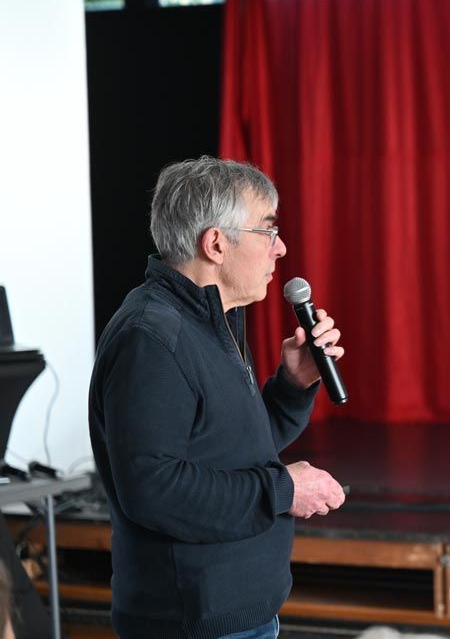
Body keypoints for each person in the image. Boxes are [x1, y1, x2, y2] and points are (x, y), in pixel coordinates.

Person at [89, 156, 346, 639]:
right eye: (267, 231)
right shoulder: (153, 337)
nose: (281, 248)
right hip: (192, 623)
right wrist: (284, 490)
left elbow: (233, 450)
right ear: (216, 243)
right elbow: (154, 489)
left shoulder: (213, 321)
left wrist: (292, 387)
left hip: (235, 614)